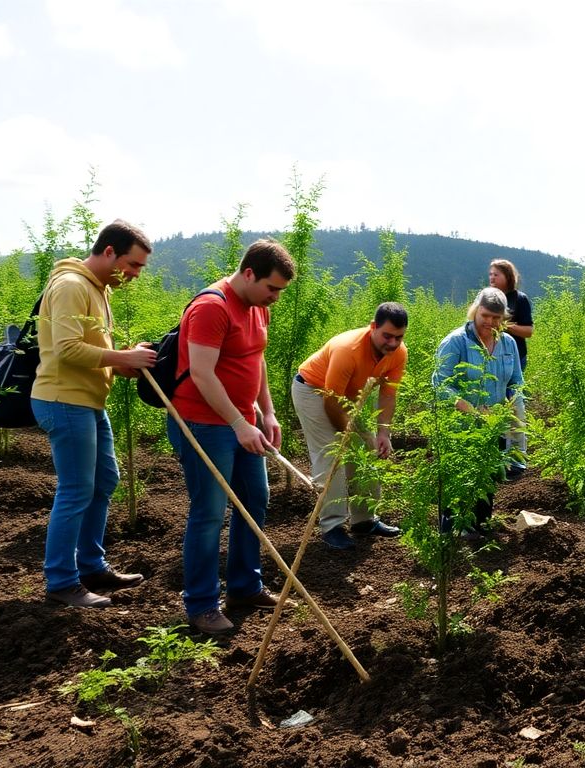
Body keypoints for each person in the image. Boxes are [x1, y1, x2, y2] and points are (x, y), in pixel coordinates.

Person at [168, 239, 294, 634]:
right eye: (272, 288)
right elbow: (203, 374)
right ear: (249, 273)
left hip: (242, 423)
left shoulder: (258, 310)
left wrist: (265, 412)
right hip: (203, 424)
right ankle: (202, 604)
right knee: (209, 512)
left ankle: (244, 587)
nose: (275, 297)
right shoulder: (212, 307)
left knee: (255, 500)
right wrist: (239, 424)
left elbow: (256, 361)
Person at [31, 220, 158, 608]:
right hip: (64, 400)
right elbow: (66, 349)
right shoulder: (71, 286)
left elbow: (85, 352)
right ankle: (62, 581)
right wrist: (124, 356)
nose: (135, 274)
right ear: (108, 253)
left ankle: (90, 565)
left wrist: (119, 365)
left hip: (87, 400)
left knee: (104, 481)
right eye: (133, 265)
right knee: (75, 490)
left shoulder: (98, 288)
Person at [293, 302, 408, 550]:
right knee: (332, 452)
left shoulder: (398, 354)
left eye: (398, 337)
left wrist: (383, 433)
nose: (392, 343)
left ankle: (365, 520)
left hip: (344, 398)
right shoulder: (349, 349)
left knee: (368, 450)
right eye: (387, 335)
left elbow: (388, 395)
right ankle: (332, 526)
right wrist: (346, 434)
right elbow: (331, 401)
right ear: (373, 327)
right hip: (313, 390)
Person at [432, 287, 525, 540]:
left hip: (495, 425)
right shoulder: (456, 342)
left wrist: (511, 409)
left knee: (488, 475)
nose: (490, 322)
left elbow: (517, 381)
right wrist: (472, 410)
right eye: (485, 315)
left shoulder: (508, 344)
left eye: (497, 318)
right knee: (459, 476)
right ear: (475, 310)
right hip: (461, 426)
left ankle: (479, 527)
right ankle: (451, 532)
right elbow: (441, 384)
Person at [487, 259, 533, 473]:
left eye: (496, 274)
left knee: (513, 404)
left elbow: (528, 331)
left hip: (513, 359)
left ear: (508, 276)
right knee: (491, 402)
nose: (492, 278)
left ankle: (515, 459)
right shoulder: (487, 298)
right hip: (489, 358)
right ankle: (494, 454)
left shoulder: (519, 300)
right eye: (490, 274)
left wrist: (504, 326)